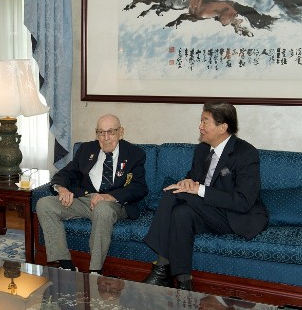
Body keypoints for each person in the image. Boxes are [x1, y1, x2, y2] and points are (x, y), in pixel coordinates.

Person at [142, 102, 268, 291]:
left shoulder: (245, 153)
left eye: (205, 122)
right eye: (201, 121)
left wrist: (198, 189)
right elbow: (193, 178)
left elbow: (243, 202)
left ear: (223, 127)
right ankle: (184, 283)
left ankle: (161, 269)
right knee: (180, 213)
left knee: (171, 195)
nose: (200, 126)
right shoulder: (202, 150)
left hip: (234, 216)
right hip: (206, 212)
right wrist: (186, 182)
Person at [36, 114, 148, 274]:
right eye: (101, 132)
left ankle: (95, 271)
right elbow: (65, 173)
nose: (106, 138)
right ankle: (66, 264)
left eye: (111, 132)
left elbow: (139, 187)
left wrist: (109, 196)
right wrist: (62, 188)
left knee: (102, 209)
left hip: (114, 203)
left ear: (121, 132)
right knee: (45, 204)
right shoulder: (86, 149)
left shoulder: (134, 154)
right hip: (85, 200)